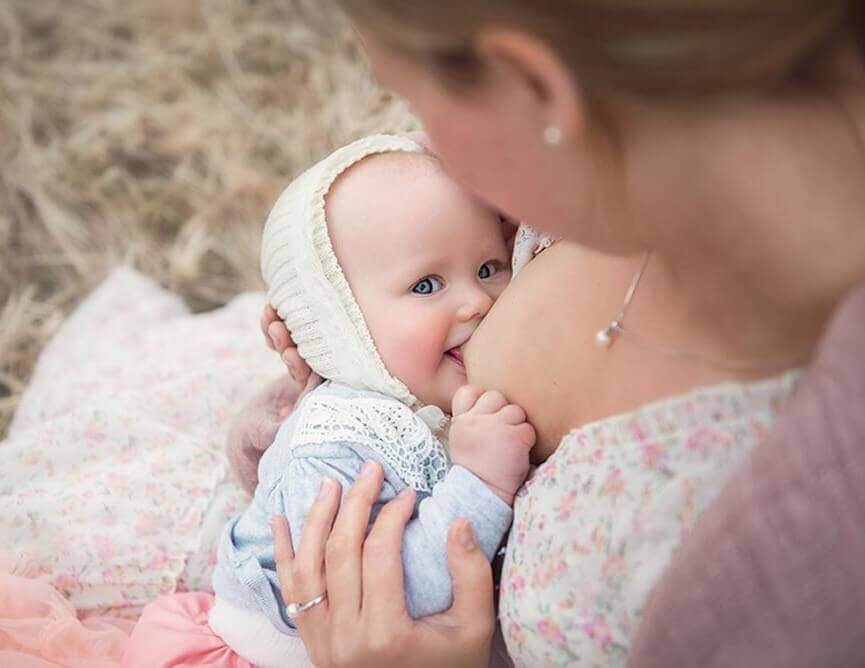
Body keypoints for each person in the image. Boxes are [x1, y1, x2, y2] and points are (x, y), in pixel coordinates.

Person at [235, 1, 865, 665]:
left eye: (412, 101)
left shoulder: (783, 520)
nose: (422, 144)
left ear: (536, 86)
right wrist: (351, 359)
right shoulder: (601, 182)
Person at [208, 134, 534, 667]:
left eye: (488, 268)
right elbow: (384, 603)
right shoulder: (338, 447)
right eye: (427, 285)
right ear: (342, 327)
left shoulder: (420, 395)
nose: (477, 302)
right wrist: (482, 485)